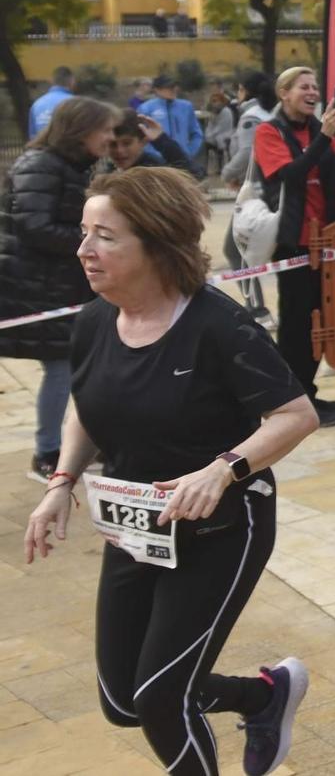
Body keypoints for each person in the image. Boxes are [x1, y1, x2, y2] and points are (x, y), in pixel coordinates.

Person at [23, 166, 319, 776]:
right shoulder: (95, 320)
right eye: (84, 232)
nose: (84, 250)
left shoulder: (218, 325)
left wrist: (223, 469)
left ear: (156, 244)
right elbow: (87, 403)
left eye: (104, 236)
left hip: (220, 530)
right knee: (121, 701)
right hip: (137, 526)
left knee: (162, 700)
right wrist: (61, 483)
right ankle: (264, 696)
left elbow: (295, 415)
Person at [2, 97, 121, 479]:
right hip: (38, 287)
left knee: (78, 364)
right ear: (80, 129)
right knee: (60, 367)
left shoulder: (74, 166)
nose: (109, 137)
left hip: (60, 284)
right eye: (104, 129)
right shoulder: (41, 165)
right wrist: (95, 241)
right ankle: (47, 453)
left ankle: (79, 442)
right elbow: (33, 227)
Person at [255, 66, 335, 428]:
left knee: (322, 321)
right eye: (304, 87)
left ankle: (307, 393)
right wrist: (323, 138)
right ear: (284, 93)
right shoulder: (268, 131)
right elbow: (291, 175)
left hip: (326, 240)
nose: (312, 92)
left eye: (315, 87)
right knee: (297, 324)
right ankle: (290, 403)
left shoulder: (318, 130)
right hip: (294, 243)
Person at [222, 73, 279, 321]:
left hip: (256, 193)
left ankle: (257, 309)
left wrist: (228, 173)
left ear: (244, 91)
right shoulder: (272, 113)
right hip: (271, 190)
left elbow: (248, 152)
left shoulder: (251, 117)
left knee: (236, 250)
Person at [139, 75, 203, 167]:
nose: (173, 89)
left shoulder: (186, 106)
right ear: (157, 90)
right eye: (169, 87)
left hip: (182, 161)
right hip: (156, 163)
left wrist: (189, 152)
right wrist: (151, 155)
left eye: (174, 86)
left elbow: (197, 134)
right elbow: (140, 137)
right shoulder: (145, 108)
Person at [106, 110, 198, 175]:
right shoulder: (108, 170)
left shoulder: (155, 170)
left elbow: (191, 175)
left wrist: (161, 140)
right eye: (113, 144)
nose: (119, 151)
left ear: (143, 142)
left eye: (127, 143)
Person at [28, 65, 73, 136]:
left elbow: (33, 136)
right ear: (72, 81)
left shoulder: (37, 104)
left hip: (42, 146)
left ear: (52, 81)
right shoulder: (76, 103)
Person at [201, 87, 236, 178]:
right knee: (204, 144)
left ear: (222, 102)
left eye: (216, 101)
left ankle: (220, 169)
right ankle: (204, 169)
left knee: (220, 143)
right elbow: (210, 127)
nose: (215, 103)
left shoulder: (226, 112)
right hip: (214, 136)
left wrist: (211, 136)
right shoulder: (213, 112)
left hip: (225, 134)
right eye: (213, 101)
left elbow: (221, 128)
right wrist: (207, 136)